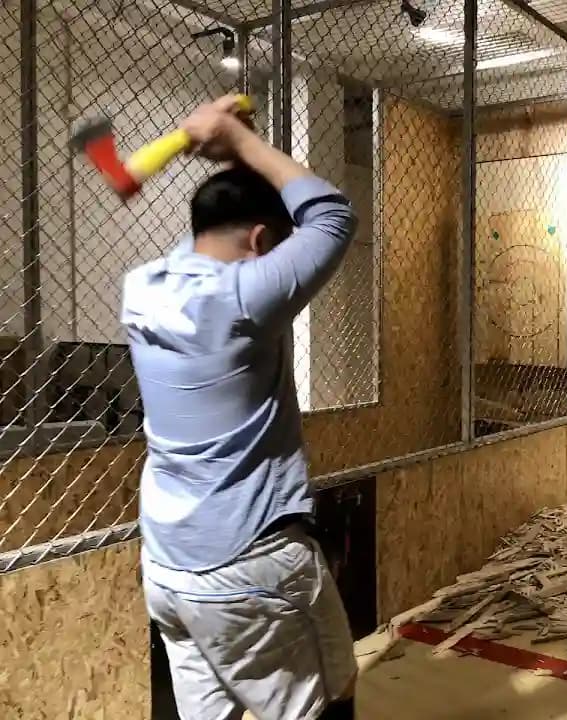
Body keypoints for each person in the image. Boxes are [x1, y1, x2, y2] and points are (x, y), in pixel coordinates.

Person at [120, 95, 358, 720]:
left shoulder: (144, 288)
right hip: (247, 563)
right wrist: (241, 142)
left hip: (170, 567)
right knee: (316, 702)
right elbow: (331, 215)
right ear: (259, 240)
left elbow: (210, 237)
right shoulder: (243, 299)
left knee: (225, 706)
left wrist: (233, 150)